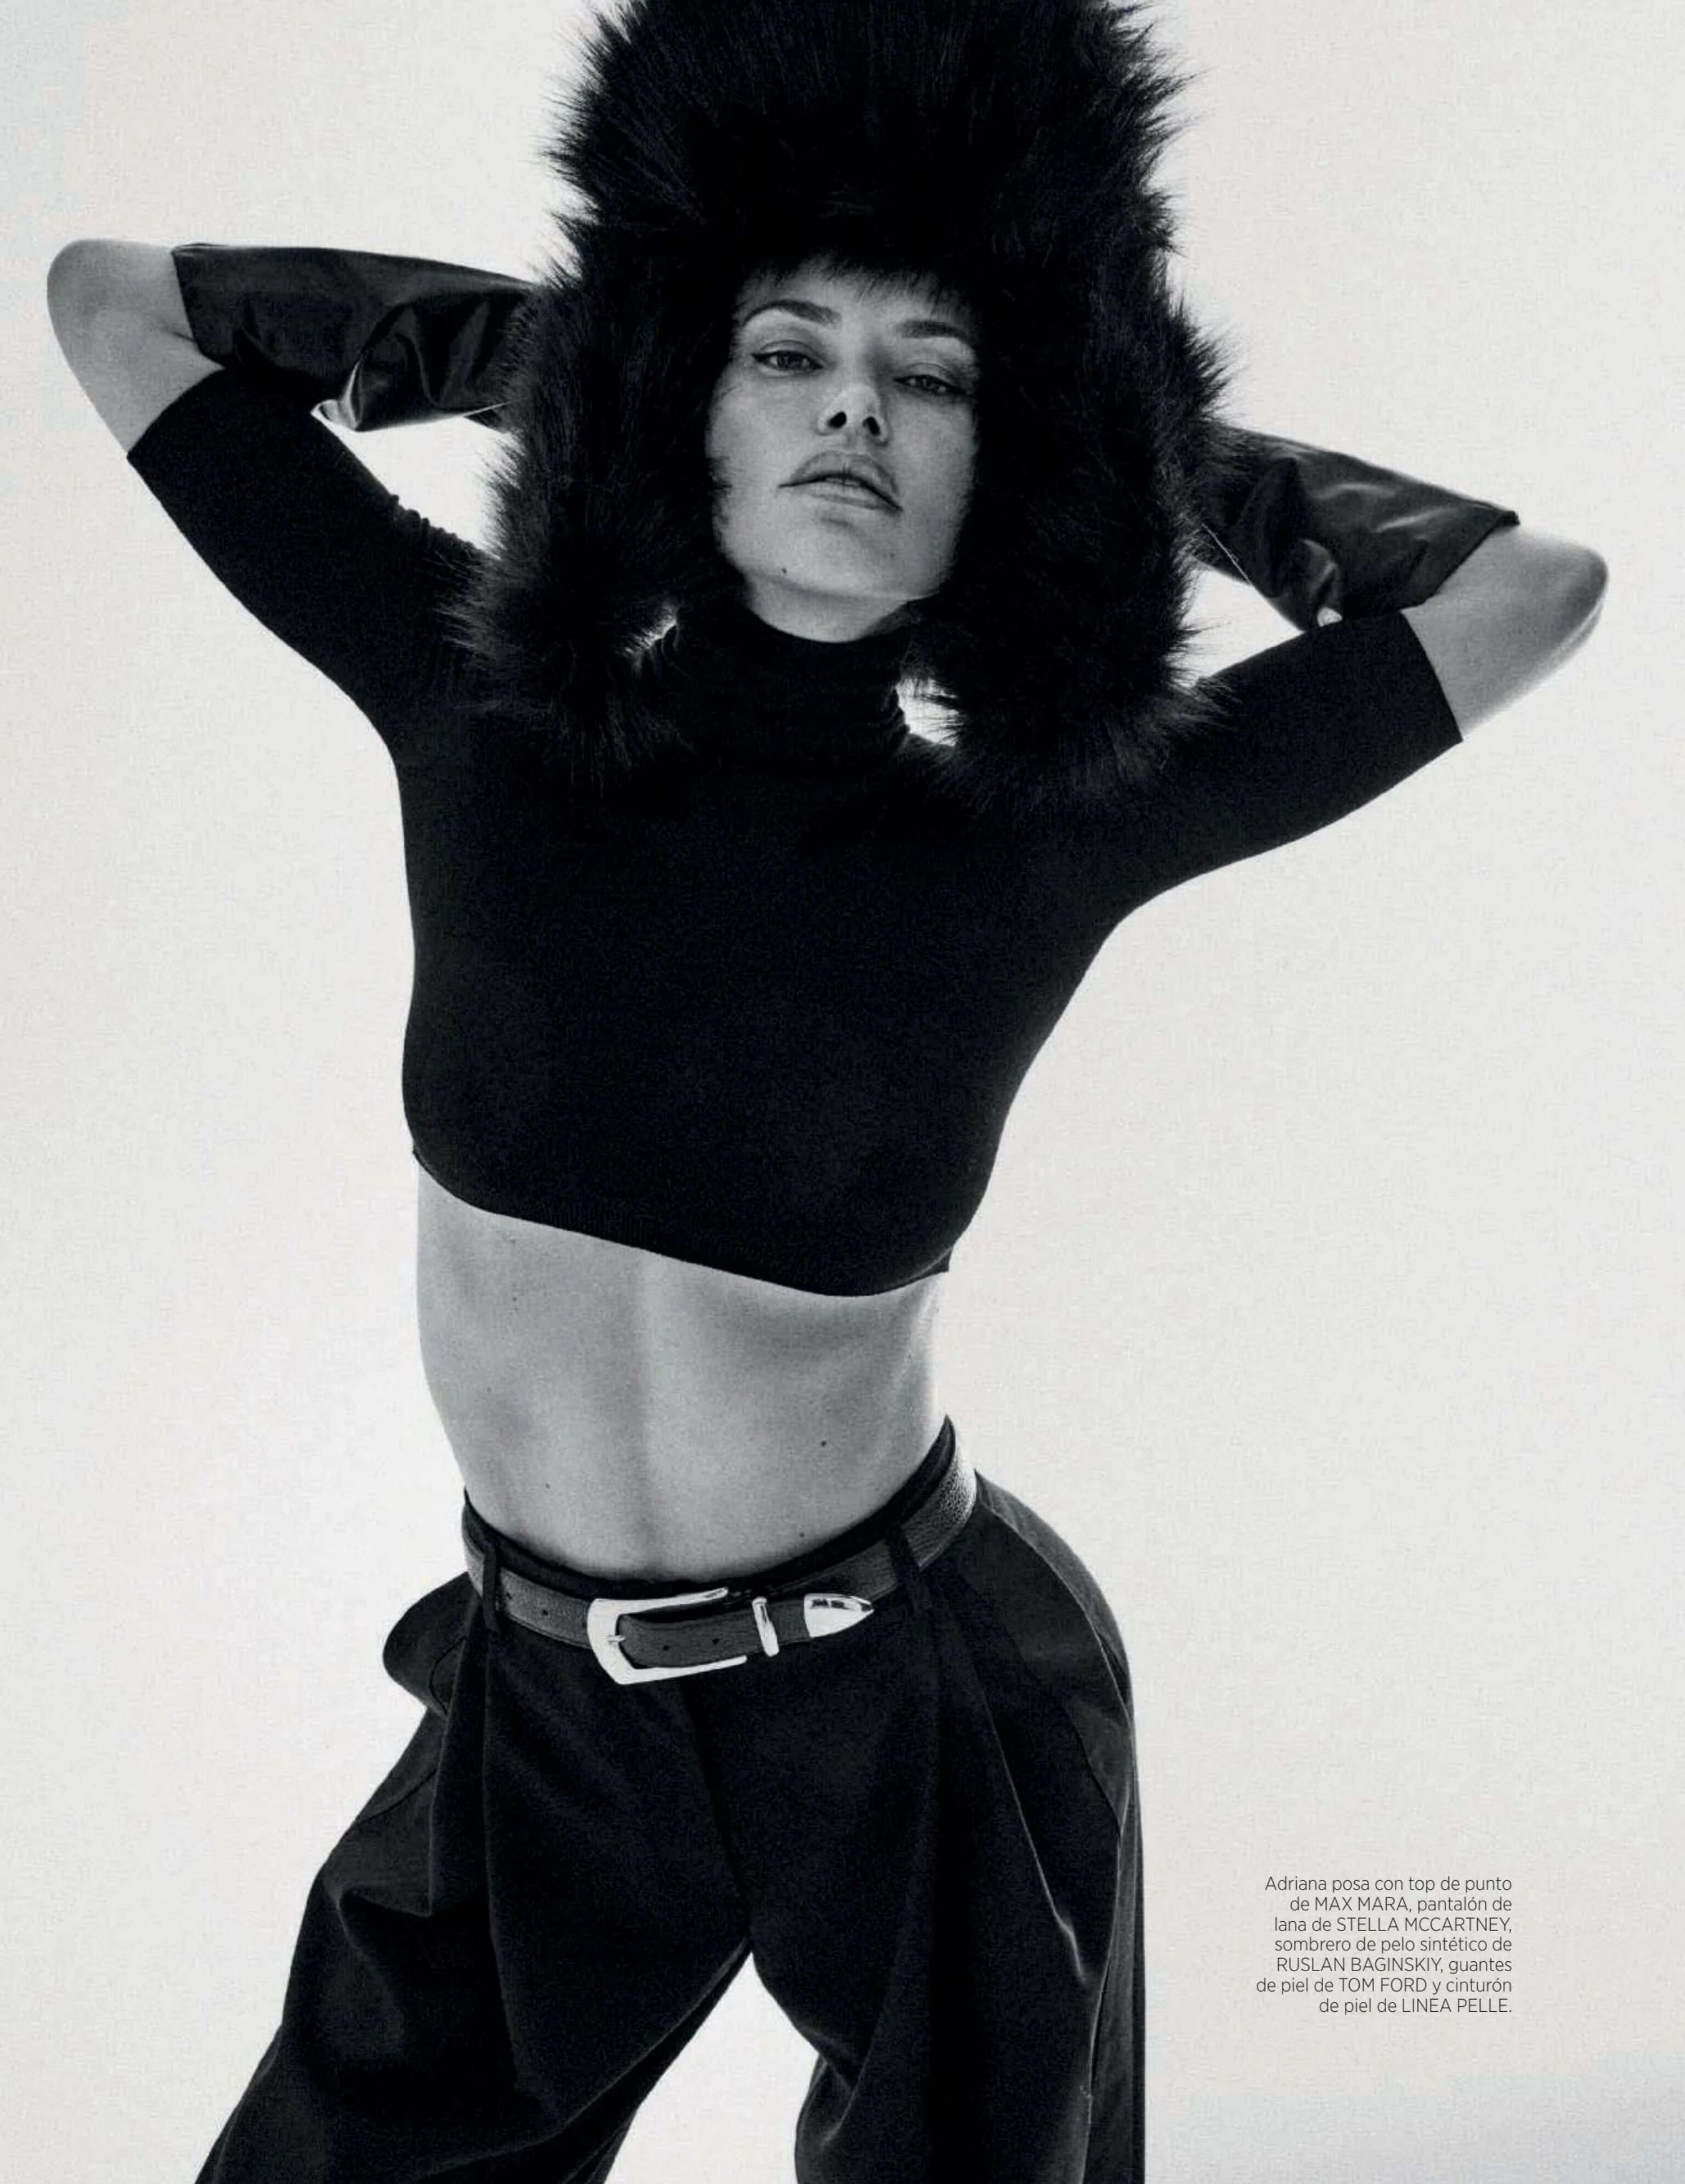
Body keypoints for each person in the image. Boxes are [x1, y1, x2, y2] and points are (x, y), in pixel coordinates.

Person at [46, 0, 1606, 2177]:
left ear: (1008, 463)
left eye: (937, 377)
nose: (858, 403)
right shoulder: (466, 696)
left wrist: (1130, 444)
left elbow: (1535, 595)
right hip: (542, 1717)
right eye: (786, 351)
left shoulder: (1051, 834)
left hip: (925, 1713)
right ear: (678, 396)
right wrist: (587, 360)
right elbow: (109, 303)